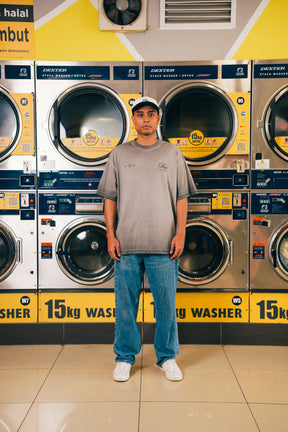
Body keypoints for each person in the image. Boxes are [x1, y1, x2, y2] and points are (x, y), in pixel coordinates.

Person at [97, 96, 197, 382]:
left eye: (150, 114)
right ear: (133, 120)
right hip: (126, 244)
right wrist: (110, 235)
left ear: (158, 119)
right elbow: (110, 198)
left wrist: (180, 232)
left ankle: (167, 357)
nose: (145, 119)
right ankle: (125, 357)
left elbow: (181, 197)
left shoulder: (172, 153)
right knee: (125, 304)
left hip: (165, 245)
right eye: (139, 114)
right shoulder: (119, 154)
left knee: (166, 304)